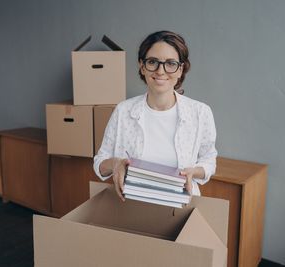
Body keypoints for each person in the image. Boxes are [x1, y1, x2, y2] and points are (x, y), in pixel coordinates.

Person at [93, 30, 217, 201]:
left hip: (181, 206)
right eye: (152, 62)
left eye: (171, 63)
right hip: (129, 206)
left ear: (181, 70)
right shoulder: (123, 111)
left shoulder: (200, 113)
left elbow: (209, 160)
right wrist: (116, 164)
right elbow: (100, 162)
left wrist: (193, 172)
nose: (161, 71)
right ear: (142, 66)